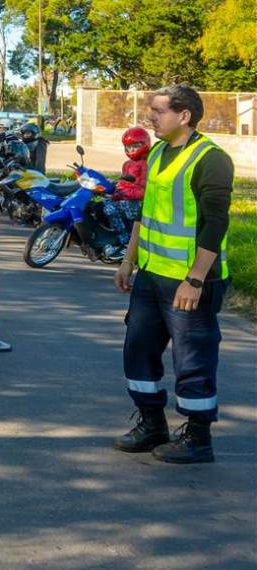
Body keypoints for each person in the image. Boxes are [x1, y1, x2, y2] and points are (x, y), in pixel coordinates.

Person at [113, 85, 234, 464]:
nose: (151, 117)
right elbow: (145, 213)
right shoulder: (159, 154)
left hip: (191, 282)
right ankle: (152, 424)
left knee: (192, 359)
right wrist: (128, 261)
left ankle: (198, 438)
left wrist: (196, 278)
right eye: (151, 110)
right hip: (151, 275)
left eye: (159, 111)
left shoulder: (211, 159)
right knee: (138, 350)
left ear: (184, 115)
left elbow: (215, 224)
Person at [102, 126, 150, 255]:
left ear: (144, 144)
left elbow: (143, 190)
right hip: (127, 200)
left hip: (138, 204)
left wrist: (121, 194)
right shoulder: (127, 164)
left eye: (135, 146)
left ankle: (125, 243)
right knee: (101, 204)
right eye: (128, 147)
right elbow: (123, 183)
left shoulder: (146, 164)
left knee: (109, 209)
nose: (131, 150)